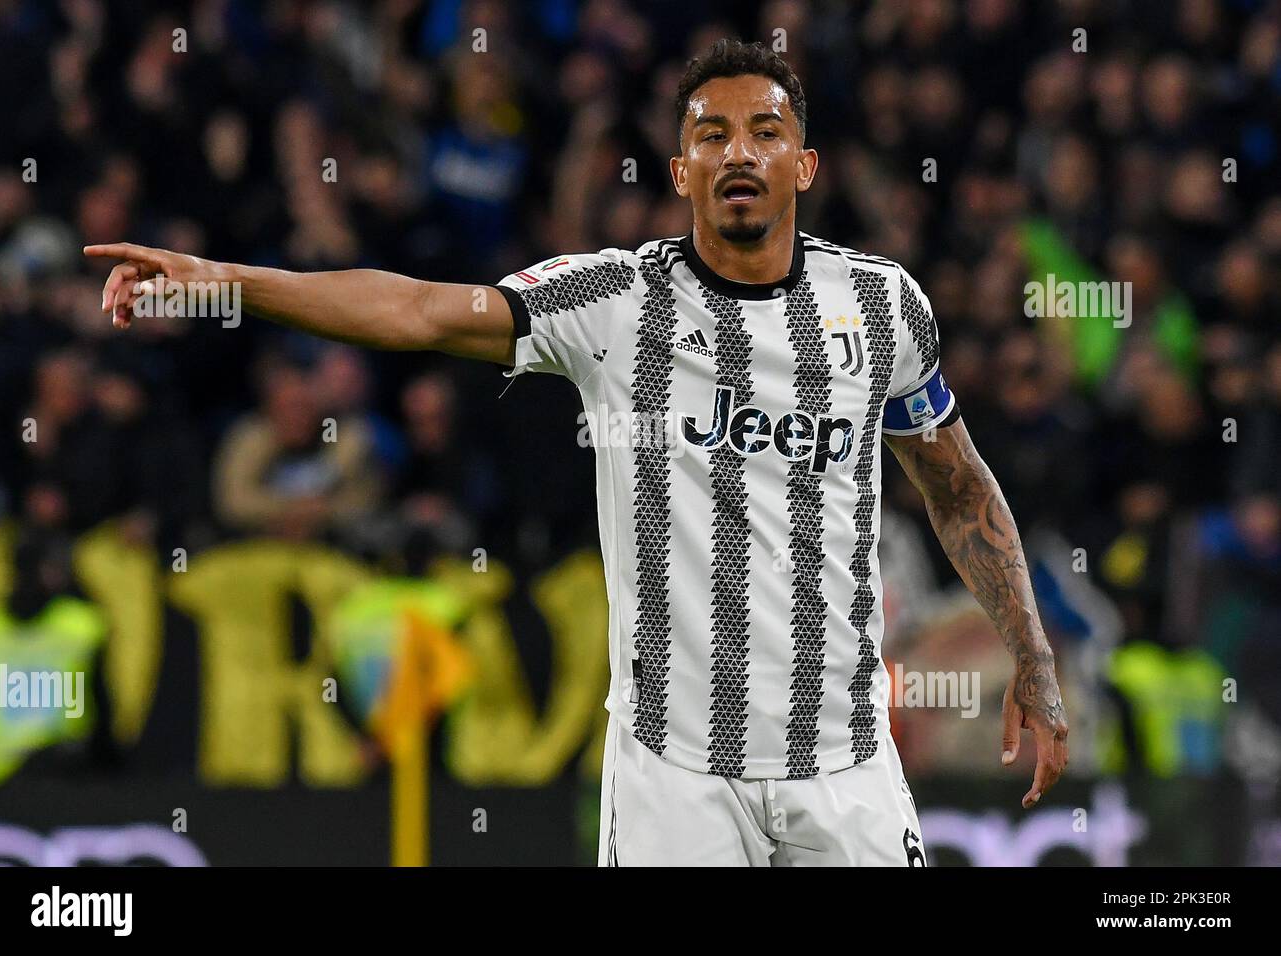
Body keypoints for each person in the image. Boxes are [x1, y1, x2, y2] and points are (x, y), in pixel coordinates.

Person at [85, 39, 1067, 866]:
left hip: (843, 761)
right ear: (679, 170)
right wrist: (226, 280)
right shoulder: (610, 301)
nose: (738, 152)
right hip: (673, 777)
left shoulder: (883, 306)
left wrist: (1028, 650)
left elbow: (956, 484)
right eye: (709, 134)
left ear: (804, 165)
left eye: (765, 132)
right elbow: (420, 309)